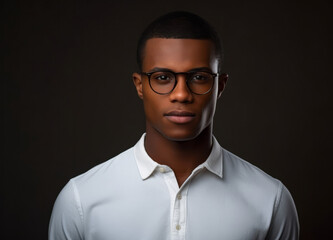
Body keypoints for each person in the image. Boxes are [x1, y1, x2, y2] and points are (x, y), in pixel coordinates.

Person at [49, 11, 299, 240]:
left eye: (199, 77)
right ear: (139, 85)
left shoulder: (270, 201)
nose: (181, 94)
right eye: (163, 78)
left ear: (220, 86)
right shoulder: (81, 201)